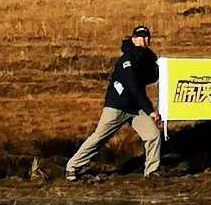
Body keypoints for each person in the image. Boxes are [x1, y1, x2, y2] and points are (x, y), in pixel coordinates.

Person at [66, 25, 161, 180]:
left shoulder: (149, 58)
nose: (144, 40)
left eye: (146, 37)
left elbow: (152, 76)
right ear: (133, 39)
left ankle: (151, 172)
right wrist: (150, 110)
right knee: (99, 138)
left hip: (135, 108)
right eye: (140, 37)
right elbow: (134, 87)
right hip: (117, 106)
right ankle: (72, 167)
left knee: (153, 135)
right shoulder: (126, 60)